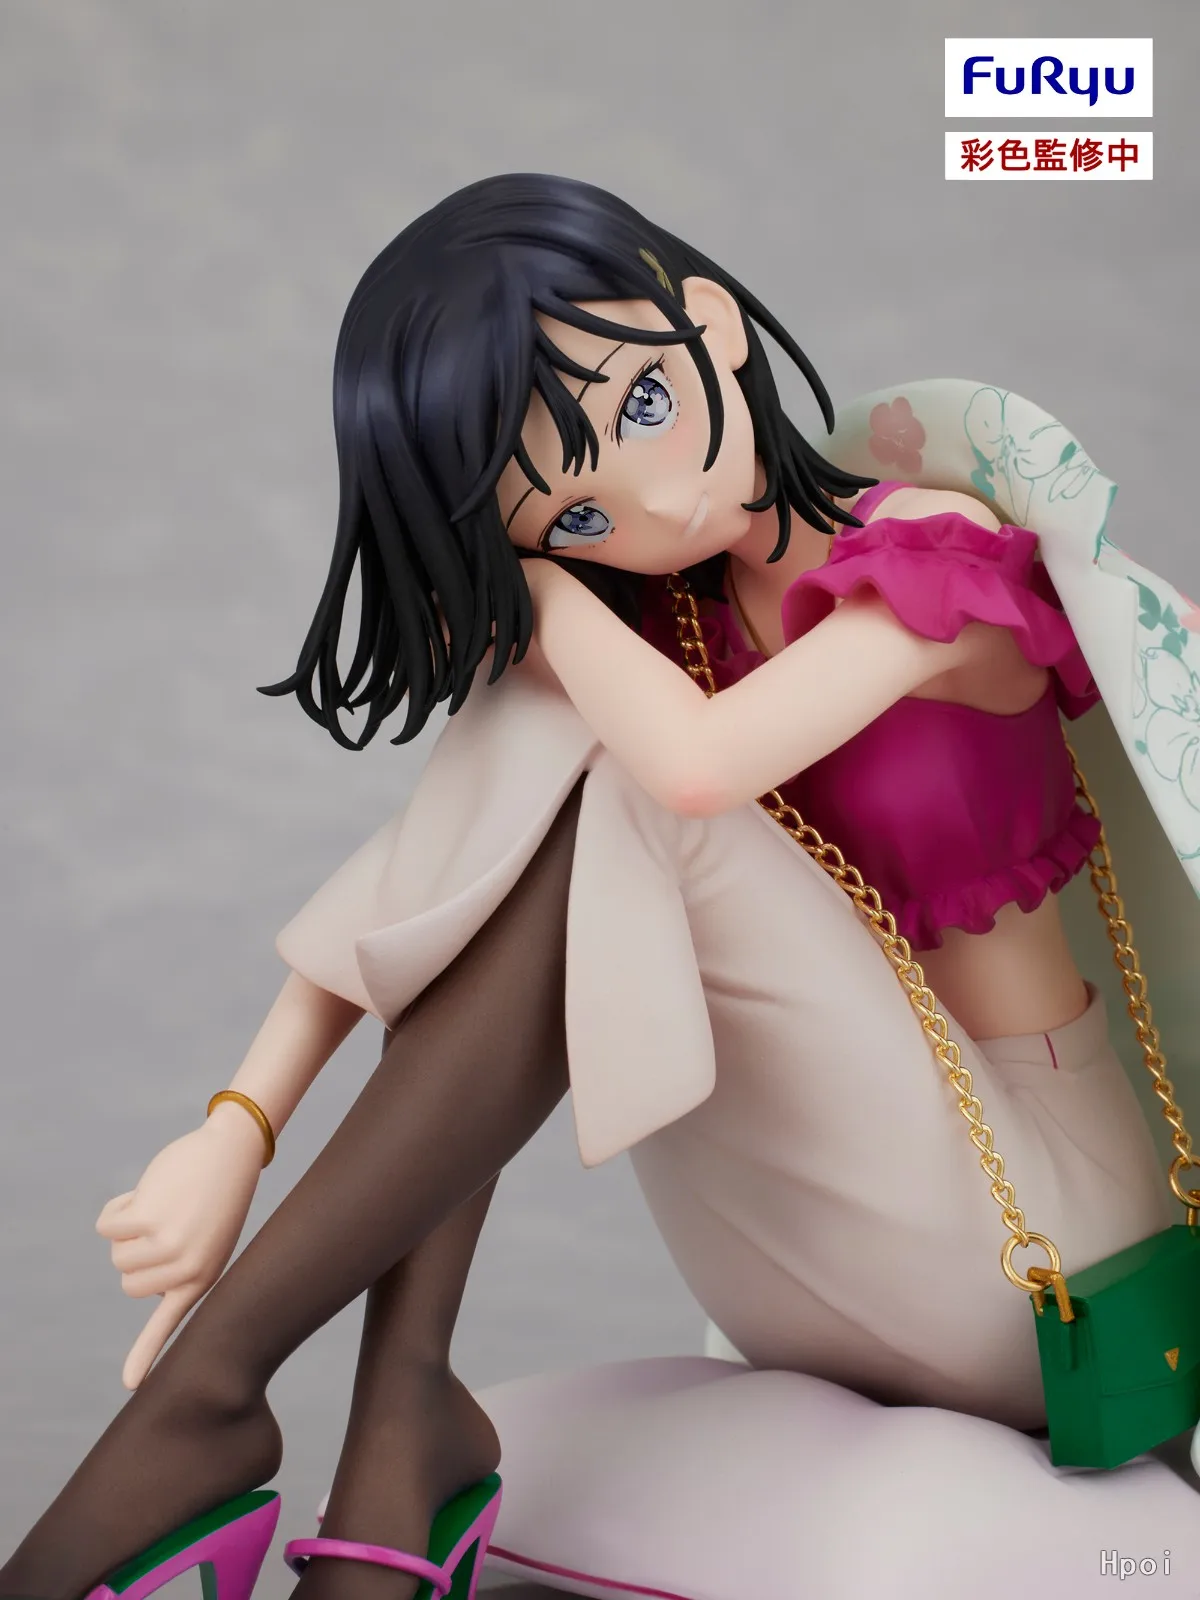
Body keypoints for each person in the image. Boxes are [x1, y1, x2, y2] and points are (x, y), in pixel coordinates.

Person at [3, 172, 1199, 1600]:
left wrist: (541, 591)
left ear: (712, 325)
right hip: (797, 1239)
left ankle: (233, 1406)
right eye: (575, 515)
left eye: (640, 404)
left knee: (610, 754)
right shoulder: (665, 615)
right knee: (554, 732)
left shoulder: (931, 554)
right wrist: (236, 1128)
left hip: (1041, 1246)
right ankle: (382, 1414)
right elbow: (449, 859)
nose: (655, 502)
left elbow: (695, 769)